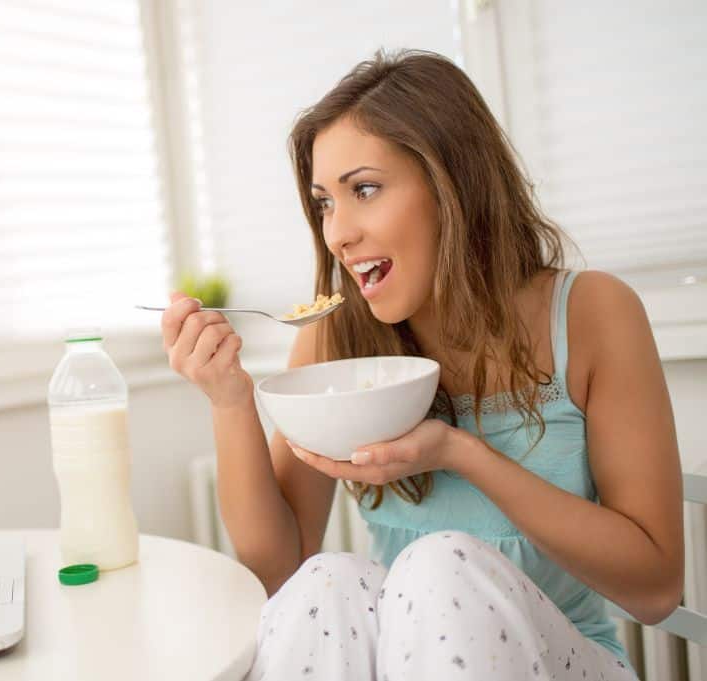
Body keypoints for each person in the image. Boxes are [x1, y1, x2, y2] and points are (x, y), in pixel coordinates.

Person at [159, 50, 684, 680]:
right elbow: (280, 570)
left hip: (566, 659)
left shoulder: (593, 313)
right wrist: (228, 400)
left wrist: (459, 454)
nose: (337, 234)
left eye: (366, 190)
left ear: (452, 184)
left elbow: (655, 591)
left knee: (440, 566)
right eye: (325, 202)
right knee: (328, 579)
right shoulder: (338, 335)